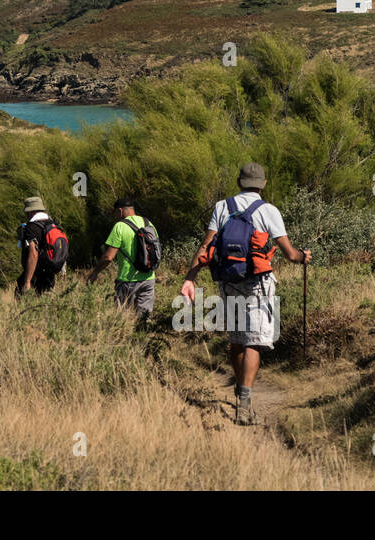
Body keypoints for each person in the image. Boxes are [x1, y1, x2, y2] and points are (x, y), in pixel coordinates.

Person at [179, 162, 311, 425]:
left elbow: (206, 245)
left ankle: (240, 391)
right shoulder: (268, 210)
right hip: (258, 284)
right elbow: (289, 253)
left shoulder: (222, 207)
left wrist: (189, 278)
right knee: (255, 341)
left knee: (237, 340)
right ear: (263, 184)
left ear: (239, 183)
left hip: (228, 281)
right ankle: (246, 401)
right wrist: (302, 257)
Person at [86, 197, 161, 327]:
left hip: (127, 280)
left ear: (120, 211)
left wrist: (95, 273)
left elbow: (108, 257)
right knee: (144, 320)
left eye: (115, 213)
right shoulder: (148, 223)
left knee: (122, 320)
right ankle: (143, 343)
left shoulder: (120, 226)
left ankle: (124, 344)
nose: (115, 216)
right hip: (149, 279)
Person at [16, 196, 67, 296]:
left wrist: (27, 281)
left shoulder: (32, 227)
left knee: (23, 298)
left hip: (37, 273)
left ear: (30, 211)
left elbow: (33, 254)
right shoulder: (52, 224)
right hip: (50, 273)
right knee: (45, 302)